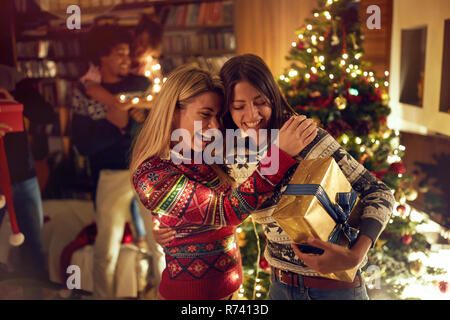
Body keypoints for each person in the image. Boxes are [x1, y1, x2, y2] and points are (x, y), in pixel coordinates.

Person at [154, 54, 396, 300]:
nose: (252, 114)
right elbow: (215, 206)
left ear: (273, 97)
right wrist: (167, 227)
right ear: (228, 109)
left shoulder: (306, 138)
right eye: (239, 107)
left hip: (336, 289)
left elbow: (379, 192)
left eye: (261, 102)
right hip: (280, 287)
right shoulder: (227, 153)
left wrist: (357, 252)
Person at [129, 64, 315, 300]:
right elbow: (226, 210)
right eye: (205, 115)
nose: (215, 126)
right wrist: (279, 156)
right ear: (173, 112)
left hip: (231, 291)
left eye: (217, 116)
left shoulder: (207, 155)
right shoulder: (152, 175)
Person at [71, 25, 154, 299]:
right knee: (106, 247)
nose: (126, 58)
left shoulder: (141, 86)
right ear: (102, 57)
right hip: (109, 174)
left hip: (147, 171)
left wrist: (126, 123)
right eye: (119, 53)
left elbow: (153, 129)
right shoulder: (85, 93)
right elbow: (83, 143)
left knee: (159, 243)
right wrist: (116, 128)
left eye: (127, 53)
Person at [0, 65, 57, 298]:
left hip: (23, 176)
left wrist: (13, 102)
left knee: (33, 249)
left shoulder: (11, 77)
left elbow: (45, 114)